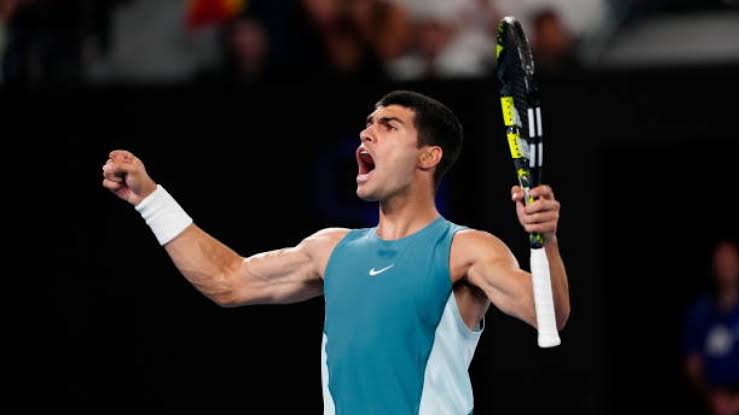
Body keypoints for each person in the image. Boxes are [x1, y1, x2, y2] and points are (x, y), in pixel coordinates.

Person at [101, 90, 570, 414]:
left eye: (387, 126)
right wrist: (150, 199)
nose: (366, 134)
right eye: (367, 125)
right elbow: (228, 280)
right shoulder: (330, 249)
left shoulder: (464, 249)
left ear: (428, 156)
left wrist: (543, 240)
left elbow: (547, 314)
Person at [683, 240, 739, 415]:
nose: (726, 267)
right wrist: (711, 396)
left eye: (730, 261)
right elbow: (692, 362)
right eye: (721, 262)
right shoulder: (700, 310)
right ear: (714, 267)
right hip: (712, 401)